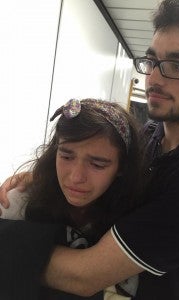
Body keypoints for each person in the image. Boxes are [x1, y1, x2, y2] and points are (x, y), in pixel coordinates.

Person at [1, 0, 179, 299]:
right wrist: (41, 176)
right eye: (152, 61)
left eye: (177, 65)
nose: (154, 79)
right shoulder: (148, 137)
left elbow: (83, 276)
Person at [0, 98, 142, 299]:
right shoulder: (18, 203)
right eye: (66, 157)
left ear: (121, 168)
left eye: (97, 165)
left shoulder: (136, 220)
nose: (76, 177)